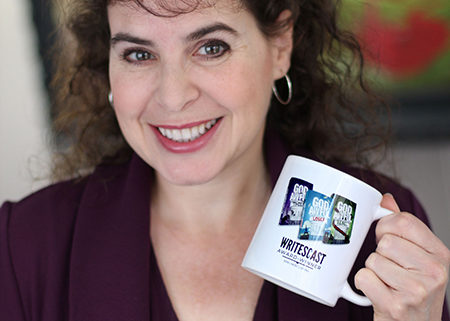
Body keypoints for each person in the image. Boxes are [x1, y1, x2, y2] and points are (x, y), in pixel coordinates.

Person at [1, 0, 449, 320]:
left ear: (279, 47)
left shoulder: (377, 233)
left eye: (211, 47)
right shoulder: (24, 246)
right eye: (138, 54)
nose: (173, 97)